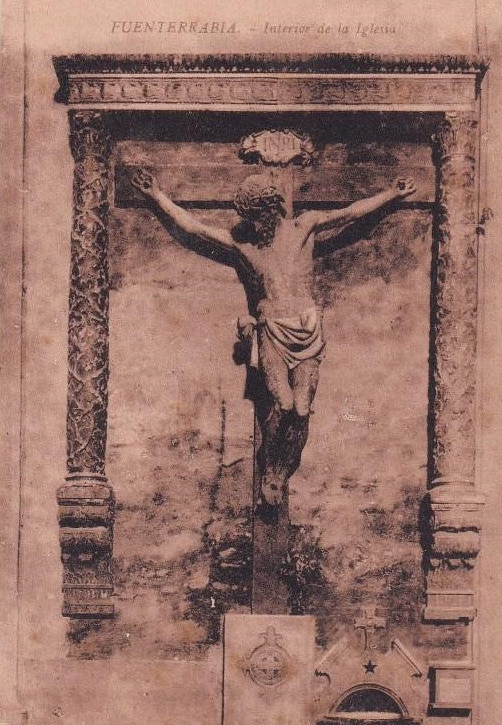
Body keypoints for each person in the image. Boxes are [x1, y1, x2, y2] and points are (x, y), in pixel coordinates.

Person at [131, 168, 416, 504]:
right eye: (251, 218)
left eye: (259, 215)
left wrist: (392, 195)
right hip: (271, 330)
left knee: (302, 406)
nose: (256, 224)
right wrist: (156, 196)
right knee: (282, 403)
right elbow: (194, 228)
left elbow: (351, 213)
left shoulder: (304, 225)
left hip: (307, 328)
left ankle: (279, 472)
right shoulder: (243, 244)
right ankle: (271, 469)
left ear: (275, 208)